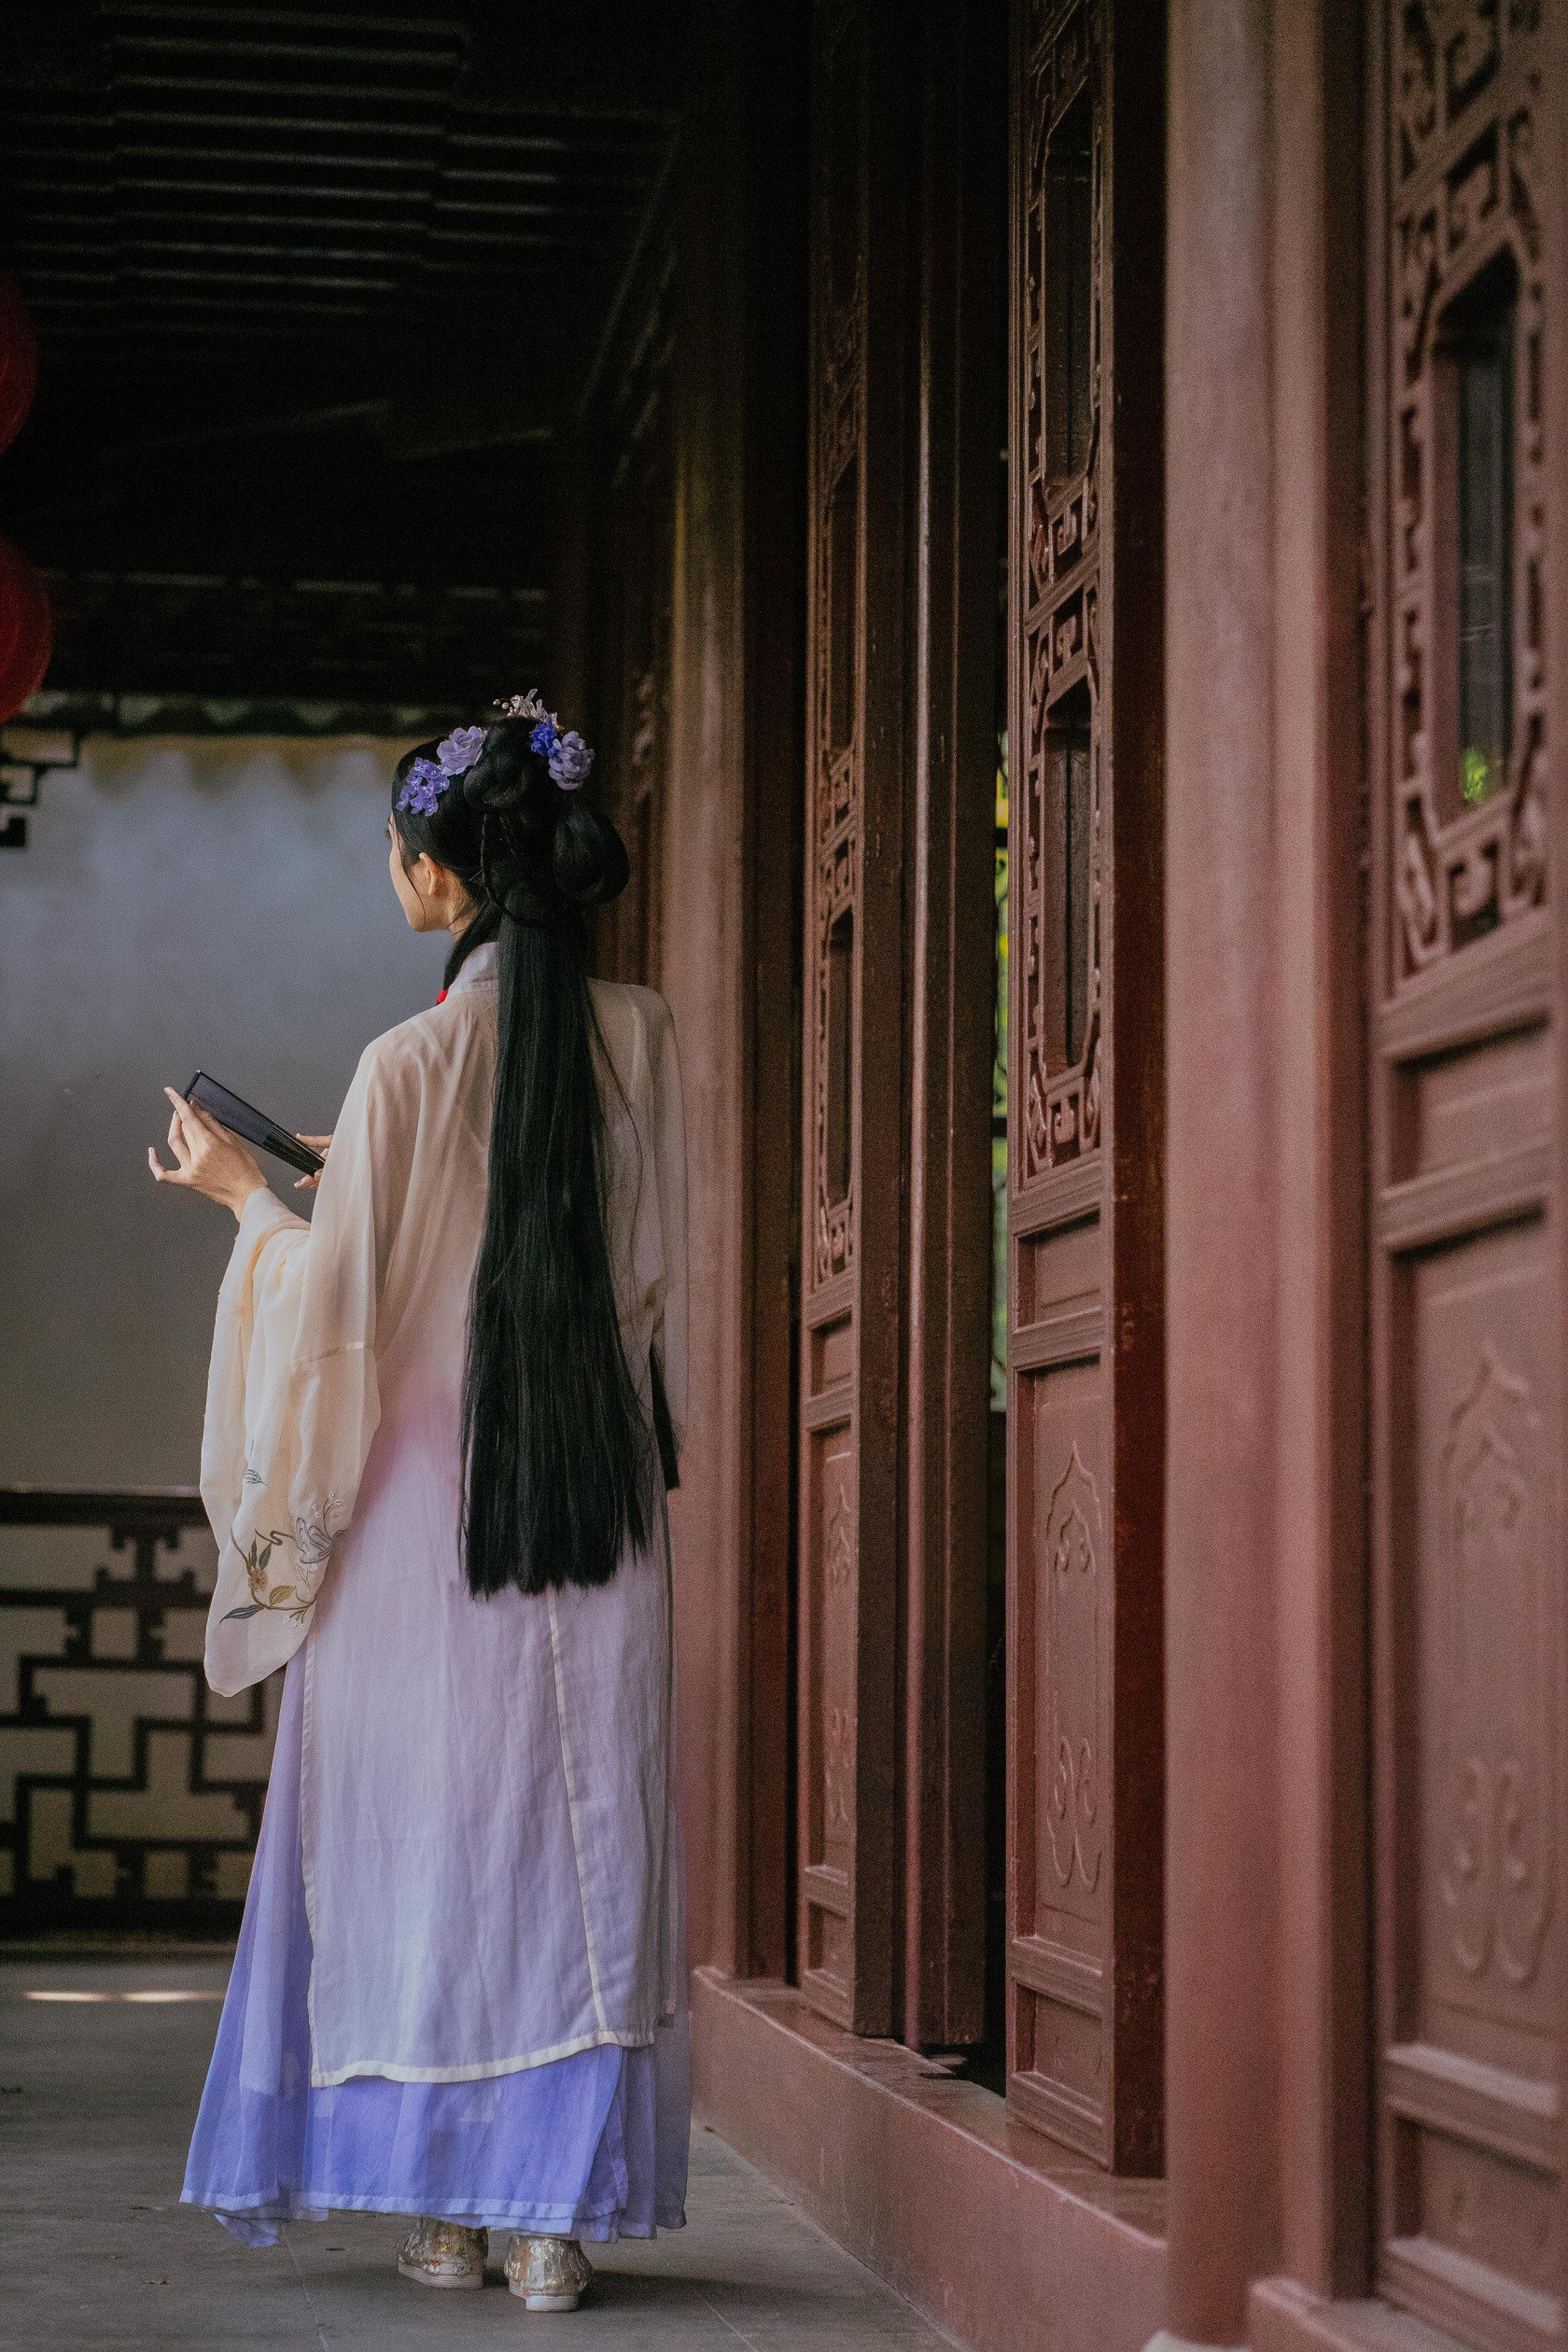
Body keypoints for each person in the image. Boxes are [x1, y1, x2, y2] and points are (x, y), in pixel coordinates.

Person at [151, 695, 689, 2311]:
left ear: (436, 879)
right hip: (584, 1504)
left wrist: (254, 1203)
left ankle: (442, 2213)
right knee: (576, 1848)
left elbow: (342, 1323)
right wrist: (363, 1165)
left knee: (425, 1846)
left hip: (421, 1525)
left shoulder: (405, 1061)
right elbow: (638, 1282)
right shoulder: (643, 1035)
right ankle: (551, 2227)